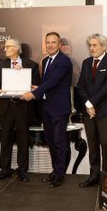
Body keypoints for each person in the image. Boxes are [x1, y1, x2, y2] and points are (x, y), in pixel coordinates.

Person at [21, 32, 72, 188]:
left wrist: (34, 93)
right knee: (51, 141)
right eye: (47, 42)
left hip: (59, 109)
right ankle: (55, 171)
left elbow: (54, 82)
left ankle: (59, 175)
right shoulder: (45, 60)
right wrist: (39, 88)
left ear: (60, 45)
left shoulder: (64, 61)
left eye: (53, 42)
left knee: (59, 142)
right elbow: (47, 83)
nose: (50, 45)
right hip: (47, 108)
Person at [76, 33, 107, 188]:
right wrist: (88, 106)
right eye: (90, 45)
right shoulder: (86, 62)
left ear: (104, 46)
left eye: (95, 45)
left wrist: (90, 103)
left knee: (105, 144)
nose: (92, 48)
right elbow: (80, 86)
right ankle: (94, 176)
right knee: (93, 146)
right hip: (89, 112)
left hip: (105, 112)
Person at [0, 38, 40, 182]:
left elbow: (36, 86)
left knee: (23, 139)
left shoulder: (30, 65)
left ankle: (22, 170)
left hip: (23, 107)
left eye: (7, 47)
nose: (5, 49)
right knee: (5, 139)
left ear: (15, 49)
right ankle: (5, 169)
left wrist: (23, 78)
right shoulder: (0, 65)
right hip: (6, 107)